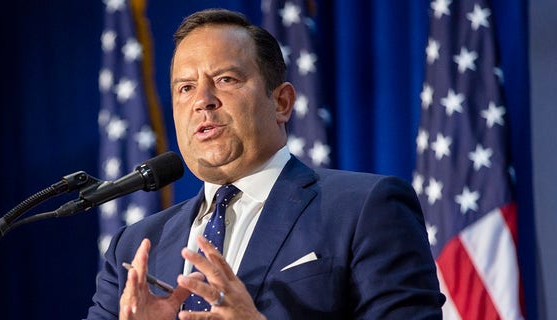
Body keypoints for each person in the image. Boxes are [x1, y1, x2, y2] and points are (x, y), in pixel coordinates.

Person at [85, 8, 445, 320]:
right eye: (185, 88)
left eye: (225, 79)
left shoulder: (366, 208)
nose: (203, 101)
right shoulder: (134, 247)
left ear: (282, 103)